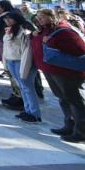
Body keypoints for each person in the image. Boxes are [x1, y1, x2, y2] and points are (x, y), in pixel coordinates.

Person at [31, 9, 85, 143]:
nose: (39, 20)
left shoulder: (64, 31)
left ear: (52, 16)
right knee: (63, 99)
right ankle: (70, 125)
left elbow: (80, 50)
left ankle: (81, 131)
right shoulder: (44, 30)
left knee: (74, 101)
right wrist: (33, 36)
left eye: (42, 17)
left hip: (66, 73)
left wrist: (50, 42)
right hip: (51, 70)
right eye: (38, 17)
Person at [2, 10, 41, 123]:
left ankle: (35, 114)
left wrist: (24, 66)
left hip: (22, 61)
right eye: (5, 18)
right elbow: (6, 48)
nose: (7, 20)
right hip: (12, 61)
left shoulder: (24, 31)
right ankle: (27, 110)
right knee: (22, 87)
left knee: (27, 87)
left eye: (9, 18)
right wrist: (5, 63)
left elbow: (27, 51)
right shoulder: (9, 31)